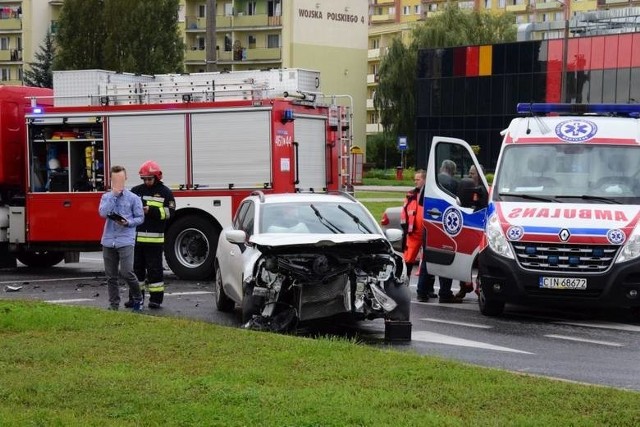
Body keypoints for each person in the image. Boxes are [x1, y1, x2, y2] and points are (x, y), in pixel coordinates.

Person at [126, 160, 176, 310]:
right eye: (144, 179)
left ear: (157, 177)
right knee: (136, 271)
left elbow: (170, 213)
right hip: (136, 239)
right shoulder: (136, 190)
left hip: (155, 239)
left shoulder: (165, 192)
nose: (147, 182)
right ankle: (135, 298)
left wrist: (151, 211)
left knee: (155, 271)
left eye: (149, 179)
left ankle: (156, 300)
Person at [98, 165, 145, 311]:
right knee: (111, 276)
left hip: (125, 239)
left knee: (126, 272)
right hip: (108, 240)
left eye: (120, 179)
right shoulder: (106, 197)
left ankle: (138, 298)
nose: (118, 182)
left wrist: (128, 222)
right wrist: (114, 196)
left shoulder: (134, 198)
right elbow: (103, 213)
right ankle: (114, 305)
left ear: (125, 178)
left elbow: (140, 218)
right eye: (115, 179)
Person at [435, 159, 463, 303]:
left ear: (442, 168)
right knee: (448, 257)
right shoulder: (454, 183)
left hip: (432, 222)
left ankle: (423, 291)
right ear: (452, 170)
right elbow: (461, 204)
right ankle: (445, 292)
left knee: (431, 257)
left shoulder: (433, 180)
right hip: (449, 225)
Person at [401, 170, 426, 280]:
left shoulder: (430, 194)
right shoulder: (411, 194)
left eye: (418, 179)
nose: (415, 182)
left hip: (426, 232)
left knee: (427, 261)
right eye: (415, 179)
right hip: (413, 232)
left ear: (424, 180)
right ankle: (405, 280)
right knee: (408, 258)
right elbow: (404, 211)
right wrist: (405, 228)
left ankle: (427, 289)